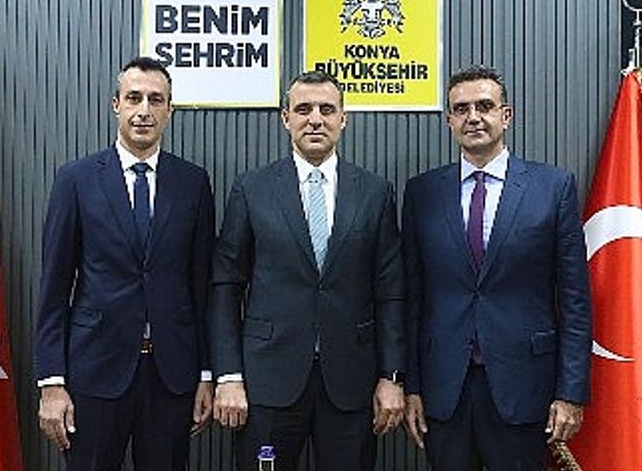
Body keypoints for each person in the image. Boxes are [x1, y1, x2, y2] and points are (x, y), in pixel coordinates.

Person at [209, 69, 406, 471]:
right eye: (303, 109)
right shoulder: (252, 189)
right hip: (267, 380)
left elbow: (390, 292)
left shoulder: (374, 192)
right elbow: (226, 285)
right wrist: (228, 374)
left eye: (326, 110)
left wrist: (392, 375)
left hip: (351, 382)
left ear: (343, 119)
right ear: (286, 118)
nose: (315, 119)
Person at [402, 65, 591, 471]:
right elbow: (412, 299)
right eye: (461, 109)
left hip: (526, 387)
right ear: (449, 120)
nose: (473, 117)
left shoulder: (553, 188)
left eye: (484, 106)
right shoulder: (422, 192)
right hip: (443, 389)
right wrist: (411, 386)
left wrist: (571, 392)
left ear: (506, 115)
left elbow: (575, 299)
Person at [34, 56, 215, 471]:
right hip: (94, 372)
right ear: (116, 104)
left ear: (169, 109)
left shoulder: (192, 183)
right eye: (134, 98)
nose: (144, 110)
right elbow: (54, 290)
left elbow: (201, 285)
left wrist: (206, 372)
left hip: (171, 376)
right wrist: (52, 383)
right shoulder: (76, 180)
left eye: (155, 100)